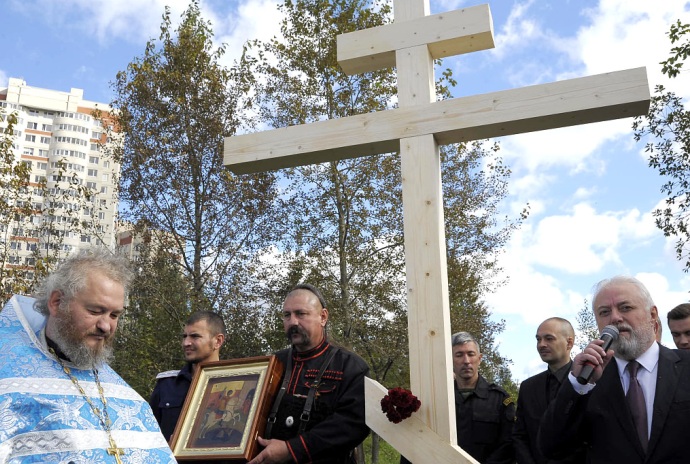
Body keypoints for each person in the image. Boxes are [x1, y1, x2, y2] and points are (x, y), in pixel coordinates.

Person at [0, 248, 176, 463]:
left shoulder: (126, 397)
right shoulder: (9, 382)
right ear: (56, 302)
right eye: (95, 311)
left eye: (114, 315)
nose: (105, 326)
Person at [539, 275, 690, 463]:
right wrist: (578, 387)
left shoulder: (686, 365)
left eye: (625, 308)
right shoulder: (587, 380)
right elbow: (552, 448)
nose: (615, 318)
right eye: (604, 312)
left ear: (652, 315)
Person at [247, 283, 369, 464]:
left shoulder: (351, 366)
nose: (293, 322)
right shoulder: (272, 363)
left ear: (323, 317)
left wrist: (292, 450)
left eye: (301, 314)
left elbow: (353, 424)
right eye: (287, 315)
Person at [401, 331, 515, 464]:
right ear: (449, 360)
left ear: (480, 358)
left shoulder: (499, 399)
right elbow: (416, 440)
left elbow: (508, 446)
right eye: (459, 355)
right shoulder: (436, 399)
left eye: (470, 354)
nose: (466, 361)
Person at [513, 317, 585, 464]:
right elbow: (520, 435)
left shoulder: (586, 382)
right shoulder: (528, 387)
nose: (541, 345)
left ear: (569, 343)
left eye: (549, 338)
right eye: (538, 339)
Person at [150, 310, 226, 441]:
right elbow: (149, 433)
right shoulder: (166, 385)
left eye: (195, 336)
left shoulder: (234, 381)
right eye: (184, 336)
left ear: (218, 341)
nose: (186, 343)